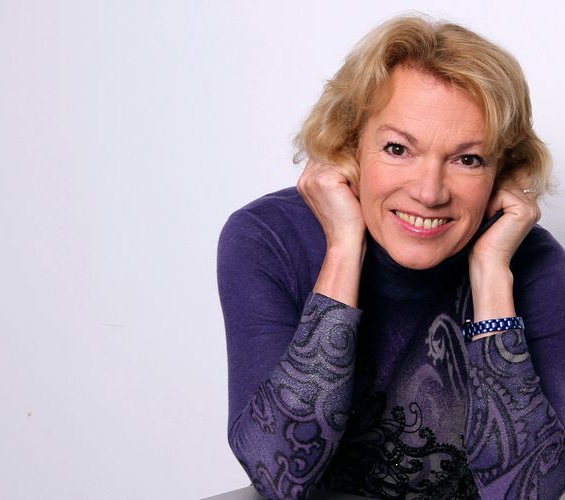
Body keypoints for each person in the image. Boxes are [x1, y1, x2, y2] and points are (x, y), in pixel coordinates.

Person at [217, 15, 564, 500]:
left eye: (468, 159)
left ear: (503, 171)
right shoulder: (268, 237)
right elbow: (277, 476)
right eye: (398, 148)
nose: (429, 192)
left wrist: (491, 275)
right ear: (349, 144)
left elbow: (532, 493)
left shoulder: (532, 263)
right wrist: (344, 247)